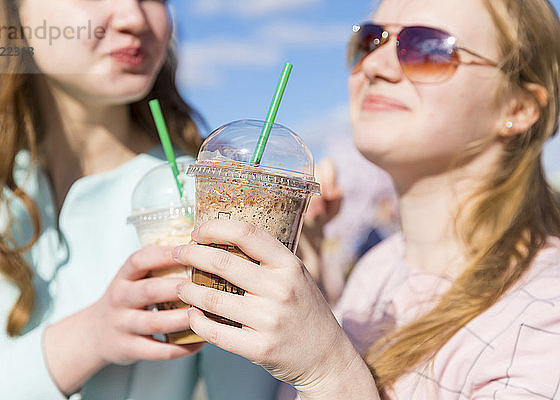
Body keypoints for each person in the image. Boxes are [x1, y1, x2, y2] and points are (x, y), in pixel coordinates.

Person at [173, 0, 560, 398]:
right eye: (370, 41)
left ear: (519, 106)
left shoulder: (545, 315)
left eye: (426, 48)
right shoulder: (378, 268)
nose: (375, 66)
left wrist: (328, 372)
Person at [0, 0, 277, 398]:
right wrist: (91, 336)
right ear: (11, 15)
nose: (134, 17)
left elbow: (245, 393)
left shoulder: (205, 193)